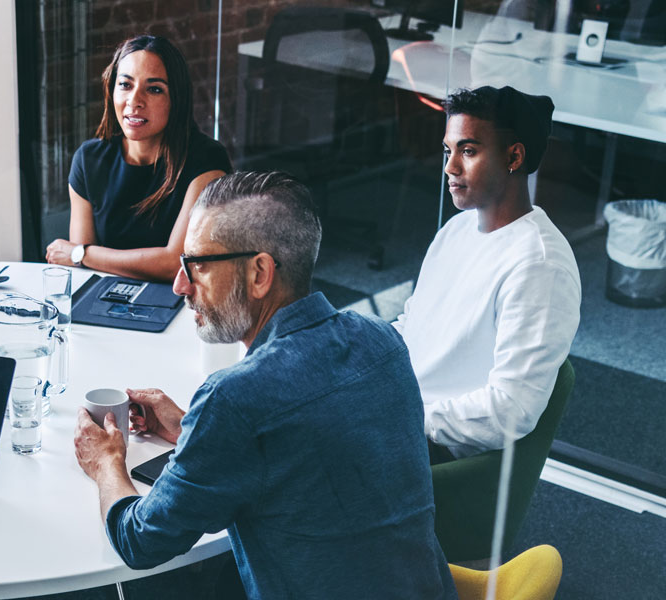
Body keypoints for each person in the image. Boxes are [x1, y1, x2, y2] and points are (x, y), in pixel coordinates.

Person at [73, 172, 455, 599]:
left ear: (259, 274)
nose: (181, 285)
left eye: (196, 265)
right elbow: (307, 455)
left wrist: (107, 462)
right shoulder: (383, 341)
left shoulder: (235, 399)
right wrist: (189, 429)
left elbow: (140, 542)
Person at [393, 86, 581, 462]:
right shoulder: (456, 231)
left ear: (514, 157)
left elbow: (510, 409)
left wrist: (408, 419)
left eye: (468, 150)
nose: (449, 167)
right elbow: (412, 328)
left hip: (432, 450)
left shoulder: (540, 265)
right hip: (398, 418)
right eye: (449, 150)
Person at [45, 35, 232, 282]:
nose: (134, 101)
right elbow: (83, 269)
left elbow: (176, 266)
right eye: (125, 85)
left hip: (185, 303)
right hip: (109, 299)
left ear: (176, 99)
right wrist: (82, 256)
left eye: (154, 89)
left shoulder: (206, 161)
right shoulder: (89, 160)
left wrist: (82, 253)